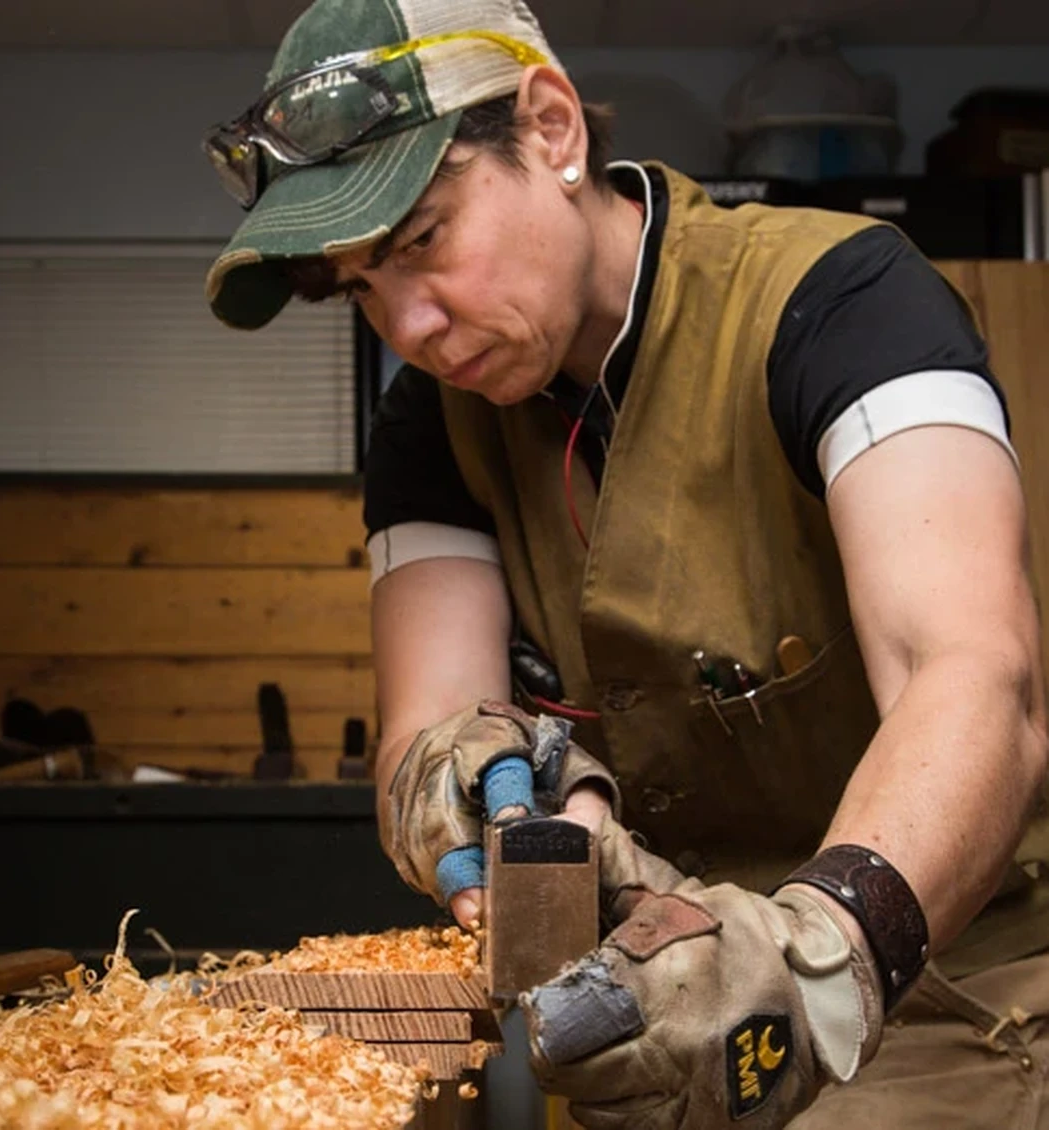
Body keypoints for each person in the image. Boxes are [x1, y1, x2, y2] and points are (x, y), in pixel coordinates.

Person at [203, 0, 1049, 1125]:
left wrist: (818, 954)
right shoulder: (430, 419)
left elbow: (972, 677)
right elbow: (428, 726)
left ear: (551, 129)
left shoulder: (843, 303)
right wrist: (473, 783)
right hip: (651, 1006)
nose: (407, 323)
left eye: (421, 240)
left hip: (936, 983)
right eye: (361, 286)